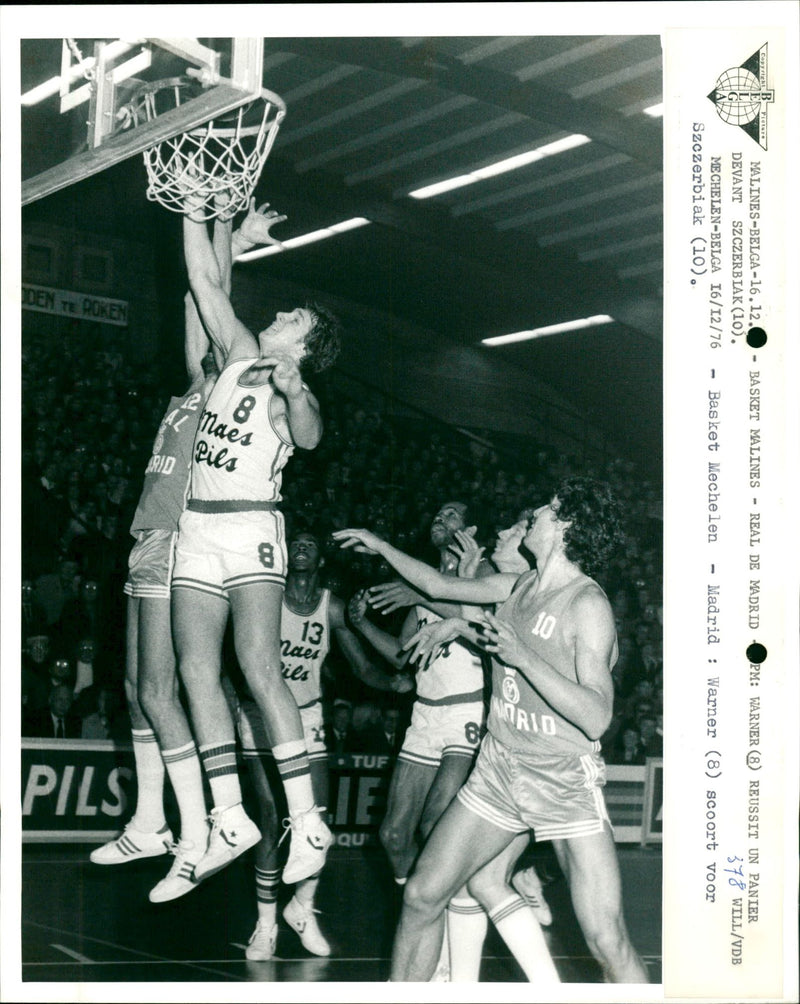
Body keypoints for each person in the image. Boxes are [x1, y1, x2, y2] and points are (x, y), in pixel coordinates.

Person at [334, 476, 649, 983]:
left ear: (566, 526)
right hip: (499, 769)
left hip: (562, 778)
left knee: (606, 940)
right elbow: (439, 587)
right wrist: (380, 545)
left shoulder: (587, 604)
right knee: (421, 894)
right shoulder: (517, 586)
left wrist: (522, 658)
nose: (536, 513)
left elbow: (597, 716)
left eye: (548, 508)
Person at [88, 201, 278, 903]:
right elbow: (200, 304)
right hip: (148, 538)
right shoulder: (189, 386)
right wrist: (235, 232)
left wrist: (217, 227)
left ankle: (200, 833)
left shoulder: (227, 393)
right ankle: (148, 820)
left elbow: (209, 291)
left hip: (181, 540)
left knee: (163, 691)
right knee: (138, 690)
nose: (201, 337)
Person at [172, 192, 343, 890]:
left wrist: (300, 393)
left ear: (303, 345)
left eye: (292, 318)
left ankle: (307, 822)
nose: (278, 315)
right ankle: (231, 816)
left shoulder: (286, 383)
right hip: (197, 526)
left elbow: (309, 435)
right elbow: (205, 284)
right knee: (194, 672)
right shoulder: (239, 354)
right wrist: (192, 207)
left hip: (250, 527)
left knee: (258, 666)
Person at [229, 531, 411, 961]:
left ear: (321, 559)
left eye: (311, 543)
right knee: (272, 816)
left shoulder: (330, 606)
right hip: (259, 714)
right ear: (285, 555)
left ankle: (303, 908)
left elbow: (362, 665)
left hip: (307, 714)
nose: (303, 547)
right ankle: (265, 925)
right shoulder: (266, 599)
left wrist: (393, 683)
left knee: (319, 823)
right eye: (297, 543)